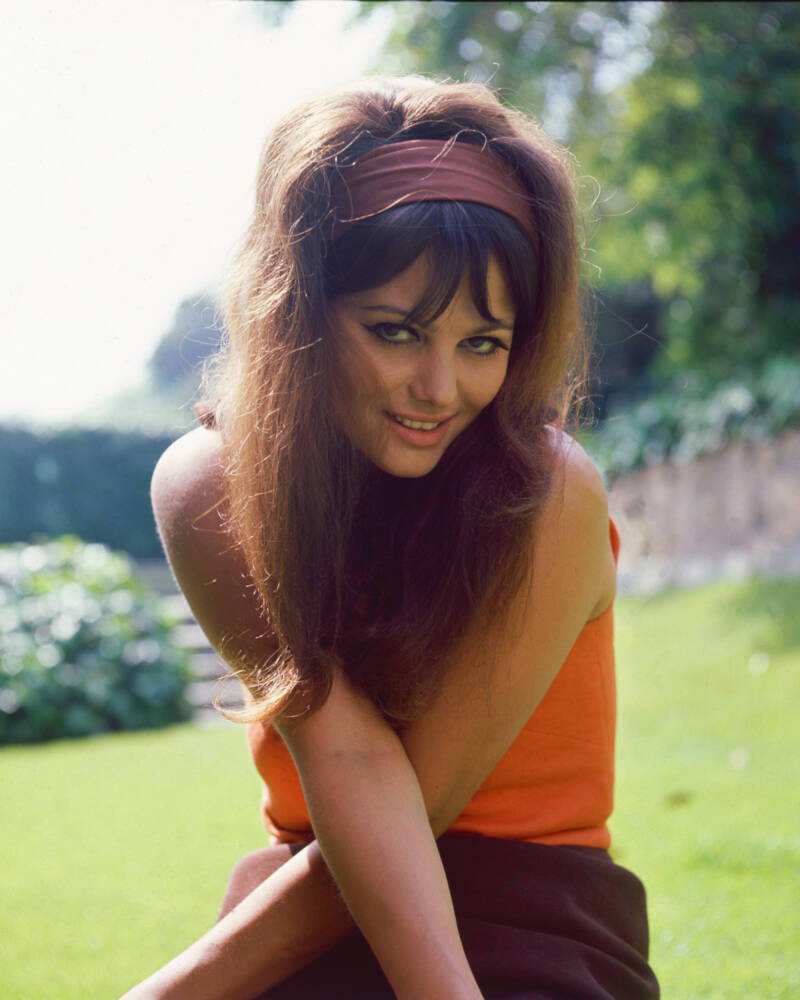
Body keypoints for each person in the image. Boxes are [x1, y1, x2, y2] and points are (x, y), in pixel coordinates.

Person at [127, 76, 659, 999]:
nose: (439, 386)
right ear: (300, 311)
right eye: (396, 330)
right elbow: (345, 755)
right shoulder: (210, 486)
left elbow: (409, 799)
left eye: (483, 343)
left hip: (536, 922)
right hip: (299, 907)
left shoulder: (548, 494)